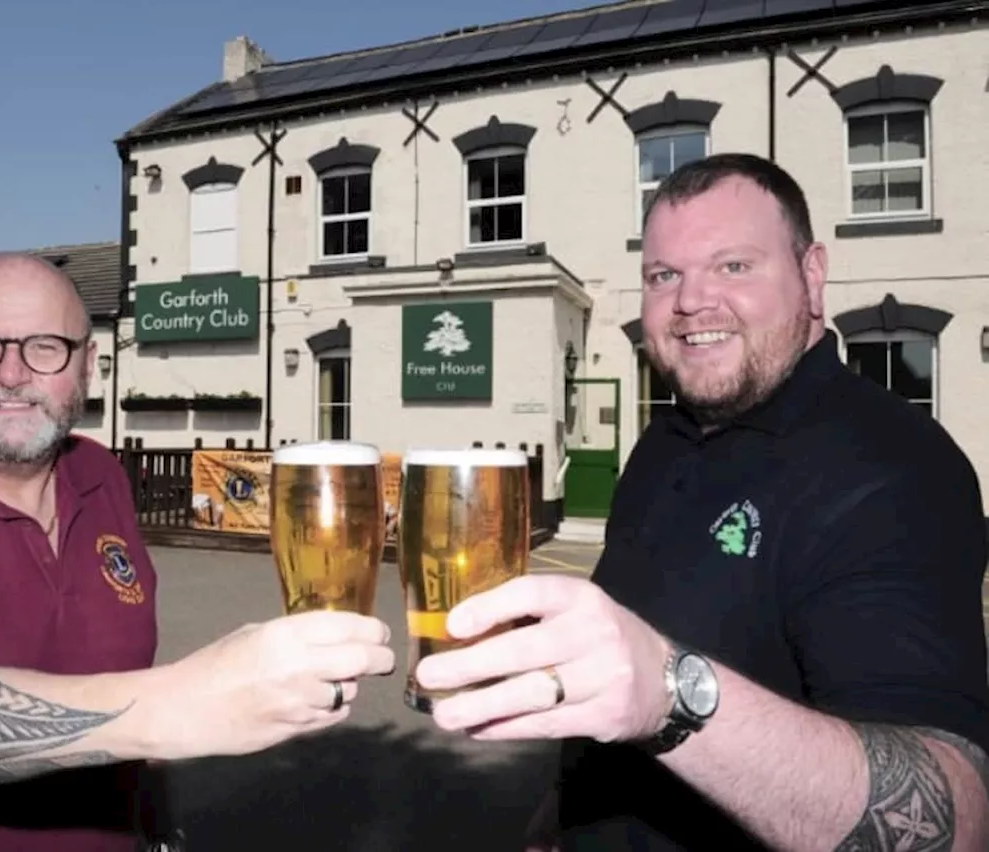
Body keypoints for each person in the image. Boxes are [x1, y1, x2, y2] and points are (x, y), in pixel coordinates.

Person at [414, 153, 989, 850]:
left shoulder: (894, 467)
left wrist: (671, 695)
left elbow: (954, 822)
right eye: (664, 276)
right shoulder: (663, 443)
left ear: (812, 275)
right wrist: (558, 816)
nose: (691, 302)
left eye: (733, 266)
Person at [0, 253, 395, 851]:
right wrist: (190, 701)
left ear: (89, 366)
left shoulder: (100, 475)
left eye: (45, 347)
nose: (11, 374)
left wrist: (155, 827)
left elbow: (124, 677)